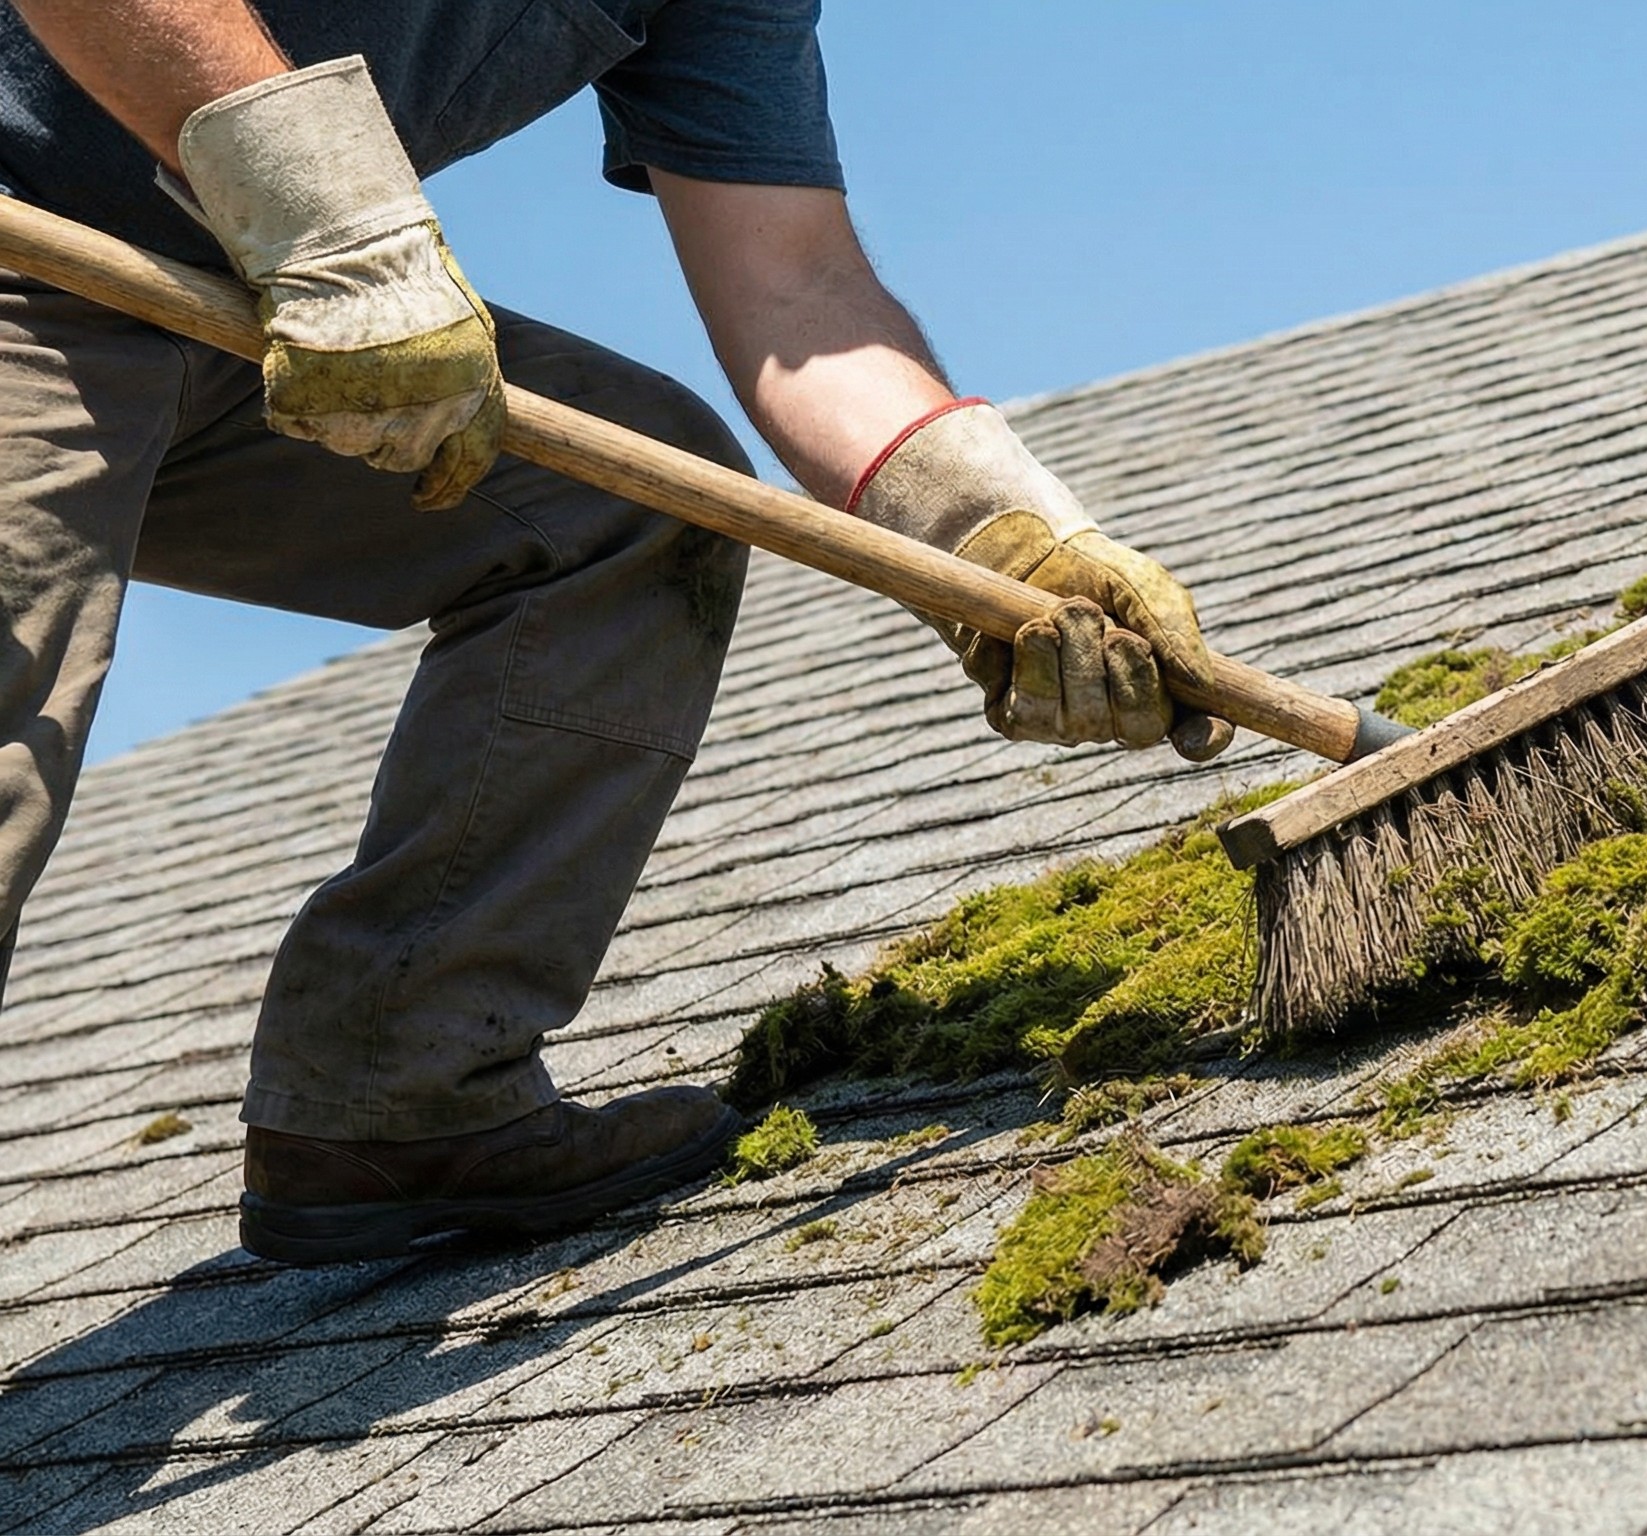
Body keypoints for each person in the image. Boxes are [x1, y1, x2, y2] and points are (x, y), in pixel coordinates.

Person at [0, 0, 1227, 1265]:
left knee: (634, 505)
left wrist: (998, 539)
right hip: (23, 247)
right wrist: (339, 238)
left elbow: (800, 290)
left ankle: (396, 1094)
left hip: (226, 300)